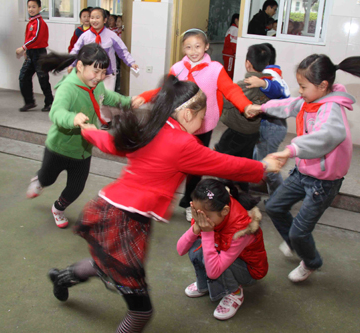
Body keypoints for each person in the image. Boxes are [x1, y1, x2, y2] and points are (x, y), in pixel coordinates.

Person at [46, 76, 280, 332]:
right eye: (203, 116)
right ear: (189, 114)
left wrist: (90, 132)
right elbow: (225, 163)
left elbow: (112, 143)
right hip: (126, 220)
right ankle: (64, 278)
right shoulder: (184, 144)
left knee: (104, 262)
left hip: (106, 207)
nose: (203, 123)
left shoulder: (151, 128)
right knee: (141, 311)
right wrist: (263, 166)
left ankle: (62, 277)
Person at [246, 54, 360, 283]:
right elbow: (289, 104)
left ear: (323, 86)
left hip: (323, 182)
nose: (300, 91)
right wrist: (261, 107)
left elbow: (328, 135)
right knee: (274, 206)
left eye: (303, 86)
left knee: (299, 231)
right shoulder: (309, 100)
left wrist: (290, 150)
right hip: (303, 172)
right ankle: (297, 245)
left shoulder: (331, 109)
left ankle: (311, 261)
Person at [135, 28, 259, 222]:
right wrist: (144, 97)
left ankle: (188, 202)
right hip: (178, 126)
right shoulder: (177, 69)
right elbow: (165, 91)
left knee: (195, 168)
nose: (193, 51)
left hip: (203, 126)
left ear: (207, 46)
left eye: (197, 46)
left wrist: (246, 106)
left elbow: (231, 90)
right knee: (169, 164)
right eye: (188, 47)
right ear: (183, 48)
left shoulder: (215, 69)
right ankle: (157, 200)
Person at [26, 44, 138, 228]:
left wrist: (128, 101)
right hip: (59, 148)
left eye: (103, 72)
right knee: (47, 179)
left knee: (76, 188)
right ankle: (39, 180)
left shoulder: (97, 85)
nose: (100, 77)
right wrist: (73, 118)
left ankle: (58, 208)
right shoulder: (68, 88)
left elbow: (108, 97)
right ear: (80, 66)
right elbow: (56, 112)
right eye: (95, 71)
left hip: (83, 150)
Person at [177, 179, 268, 321]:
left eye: (205, 216)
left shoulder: (241, 229)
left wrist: (206, 233)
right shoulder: (206, 212)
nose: (201, 219)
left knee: (212, 255)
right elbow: (181, 249)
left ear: (225, 211)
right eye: (196, 212)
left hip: (248, 271)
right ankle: (204, 285)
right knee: (196, 247)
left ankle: (234, 292)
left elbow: (214, 272)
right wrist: (195, 229)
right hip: (225, 254)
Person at [215, 44, 272, 192]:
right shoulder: (268, 85)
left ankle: (226, 191)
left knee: (223, 158)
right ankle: (243, 190)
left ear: (248, 64)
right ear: (267, 64)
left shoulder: (243, 85)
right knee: (245, 161)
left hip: (236, 131)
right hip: (253, 132)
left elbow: (226, 102)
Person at [244, 42, 290, 195]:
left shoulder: (271, 75)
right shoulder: (265, 74)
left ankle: (280, 197)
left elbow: (282, 92)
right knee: (257, 158)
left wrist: (263, 83)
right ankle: (259, 185)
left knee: (269, 165)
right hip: (268, 125)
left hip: (272, 126)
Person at [69, 7, 138, 95]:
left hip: (108, 74)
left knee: (106, 101)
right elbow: (76, 51)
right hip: (90, 74)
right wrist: (71, 64)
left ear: (105, 20)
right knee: (91, 100)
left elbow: (122, 51)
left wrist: (131, 63)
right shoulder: (84, 36)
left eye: (97, 17)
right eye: (92, 17)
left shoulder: (112, 35)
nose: (94, 20)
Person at [15, 0, 54, 112]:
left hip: (39, 54)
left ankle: (49, 103)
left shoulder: (39, 22)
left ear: (39, 8)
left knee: (43, 79)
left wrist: (23, 47)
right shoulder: (31, 22)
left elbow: (35, 38)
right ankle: (29, 102)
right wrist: (26, 51)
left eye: (34, 7)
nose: (31, 9)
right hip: (31, 53)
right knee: (23, 77)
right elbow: (29, 38)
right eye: (29, 7)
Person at [222, 13, 239, 79]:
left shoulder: (231, 28)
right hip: (230, 55)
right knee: (229, 74)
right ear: (236, 20)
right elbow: (234, 44)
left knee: (227, 72)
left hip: (227, 55)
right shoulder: (235, 29)